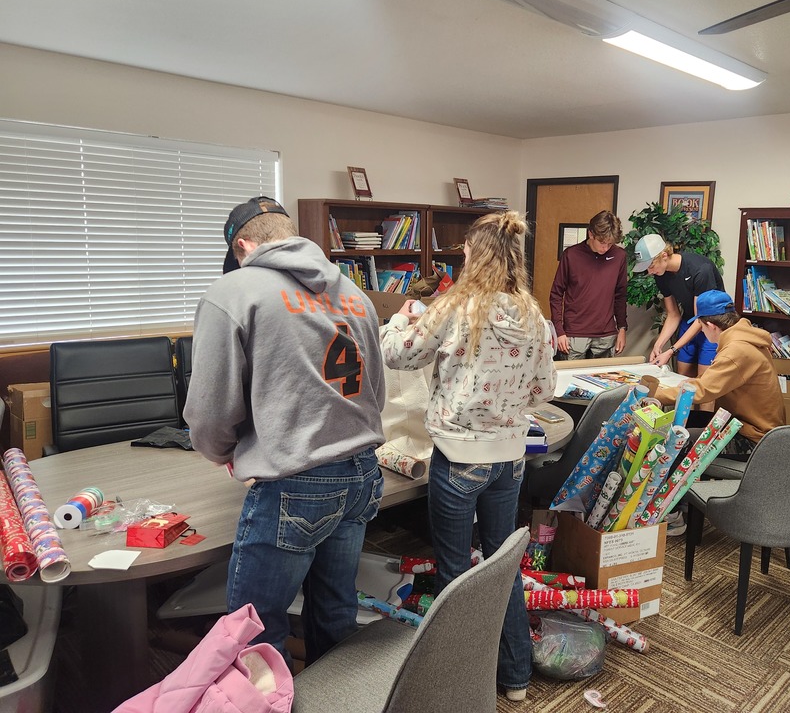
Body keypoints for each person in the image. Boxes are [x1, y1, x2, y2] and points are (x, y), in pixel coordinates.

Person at [183, 196, 386, 667]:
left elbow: (211, 410)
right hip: (361, 474)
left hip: (298, 483)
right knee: (336, 610)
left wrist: (222, 452)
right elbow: (374, 388)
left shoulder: (234, 290)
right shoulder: (354, 294)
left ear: (242, 245)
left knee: (253, 627)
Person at [379, 210, 556, 704]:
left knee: (456, 573)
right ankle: (516, 677)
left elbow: (396, 354)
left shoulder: (455, 306)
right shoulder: (533, 316)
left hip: (458, 458)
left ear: (473, 255)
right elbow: (544, 387)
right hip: (510, 460)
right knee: (503, 568)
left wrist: (402, 314)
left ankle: (461, 683)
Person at [663, 289, 785, 536]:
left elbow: (703, 390)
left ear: (710, 326)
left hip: (752, 438)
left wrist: (656, 392)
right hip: (747, 425)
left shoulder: (736, 351)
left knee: (674, 441)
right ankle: (685, 503)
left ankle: (674, 517)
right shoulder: (745, 337)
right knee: (683, 423)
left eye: (700, 327)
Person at [632, 232, 725, 377]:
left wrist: (672, 350)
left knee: (704, 384)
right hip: (689, 321)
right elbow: (673, 314)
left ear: (664, 255)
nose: (649, 272)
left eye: (651, 265)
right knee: (682, 379)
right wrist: (659, 344)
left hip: (711, 325)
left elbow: (700, 319)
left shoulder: (700, 270)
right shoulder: (660, 275)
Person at [549, 210, 628, 360]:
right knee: (570, 381)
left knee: (603, 381)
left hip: (606, 335)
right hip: (574, 334)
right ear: (591, 234)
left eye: (610, 244)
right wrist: (559, 331)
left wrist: (622, 328)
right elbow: (556, 294)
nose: (605, 248)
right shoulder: (571, 255)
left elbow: (621, 294)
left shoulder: (619, 256)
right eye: (602, 243)